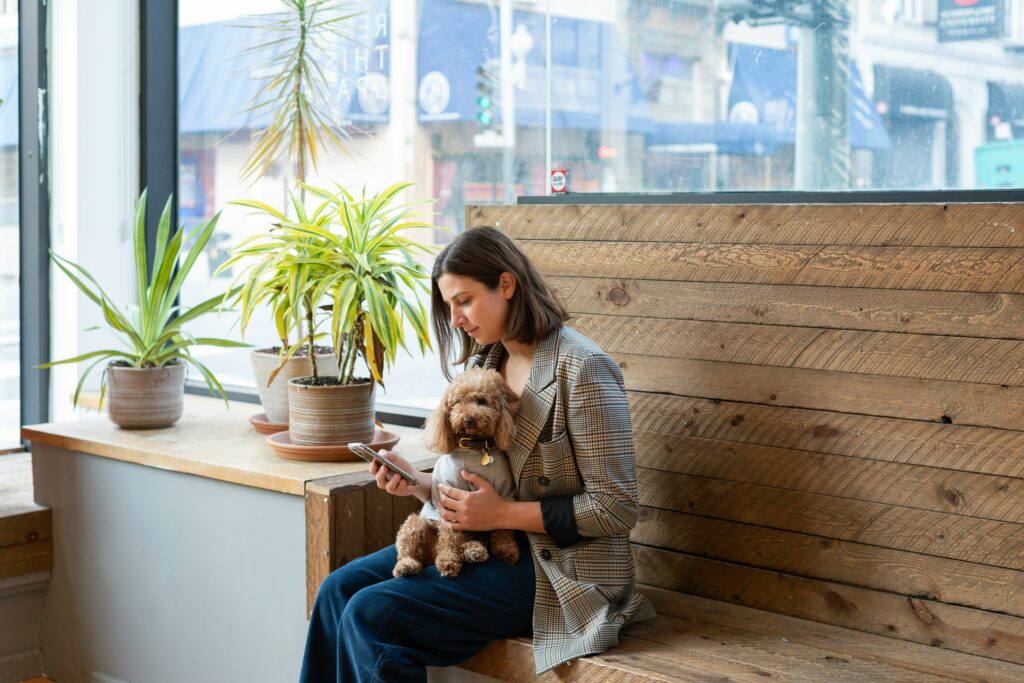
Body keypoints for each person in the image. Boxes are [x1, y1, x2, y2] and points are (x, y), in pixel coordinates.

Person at [299, 226, 655, 682]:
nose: (455, 319)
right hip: (481, 542)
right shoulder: (485, 363)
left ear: (506, 285)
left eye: (463, 301)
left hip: (559, 568)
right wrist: (421, 484)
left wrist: (501, 514)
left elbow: (617, 508)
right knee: (336, 591)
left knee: (374, 614)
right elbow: (479, 478)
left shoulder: (583, 368)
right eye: (448, 306)